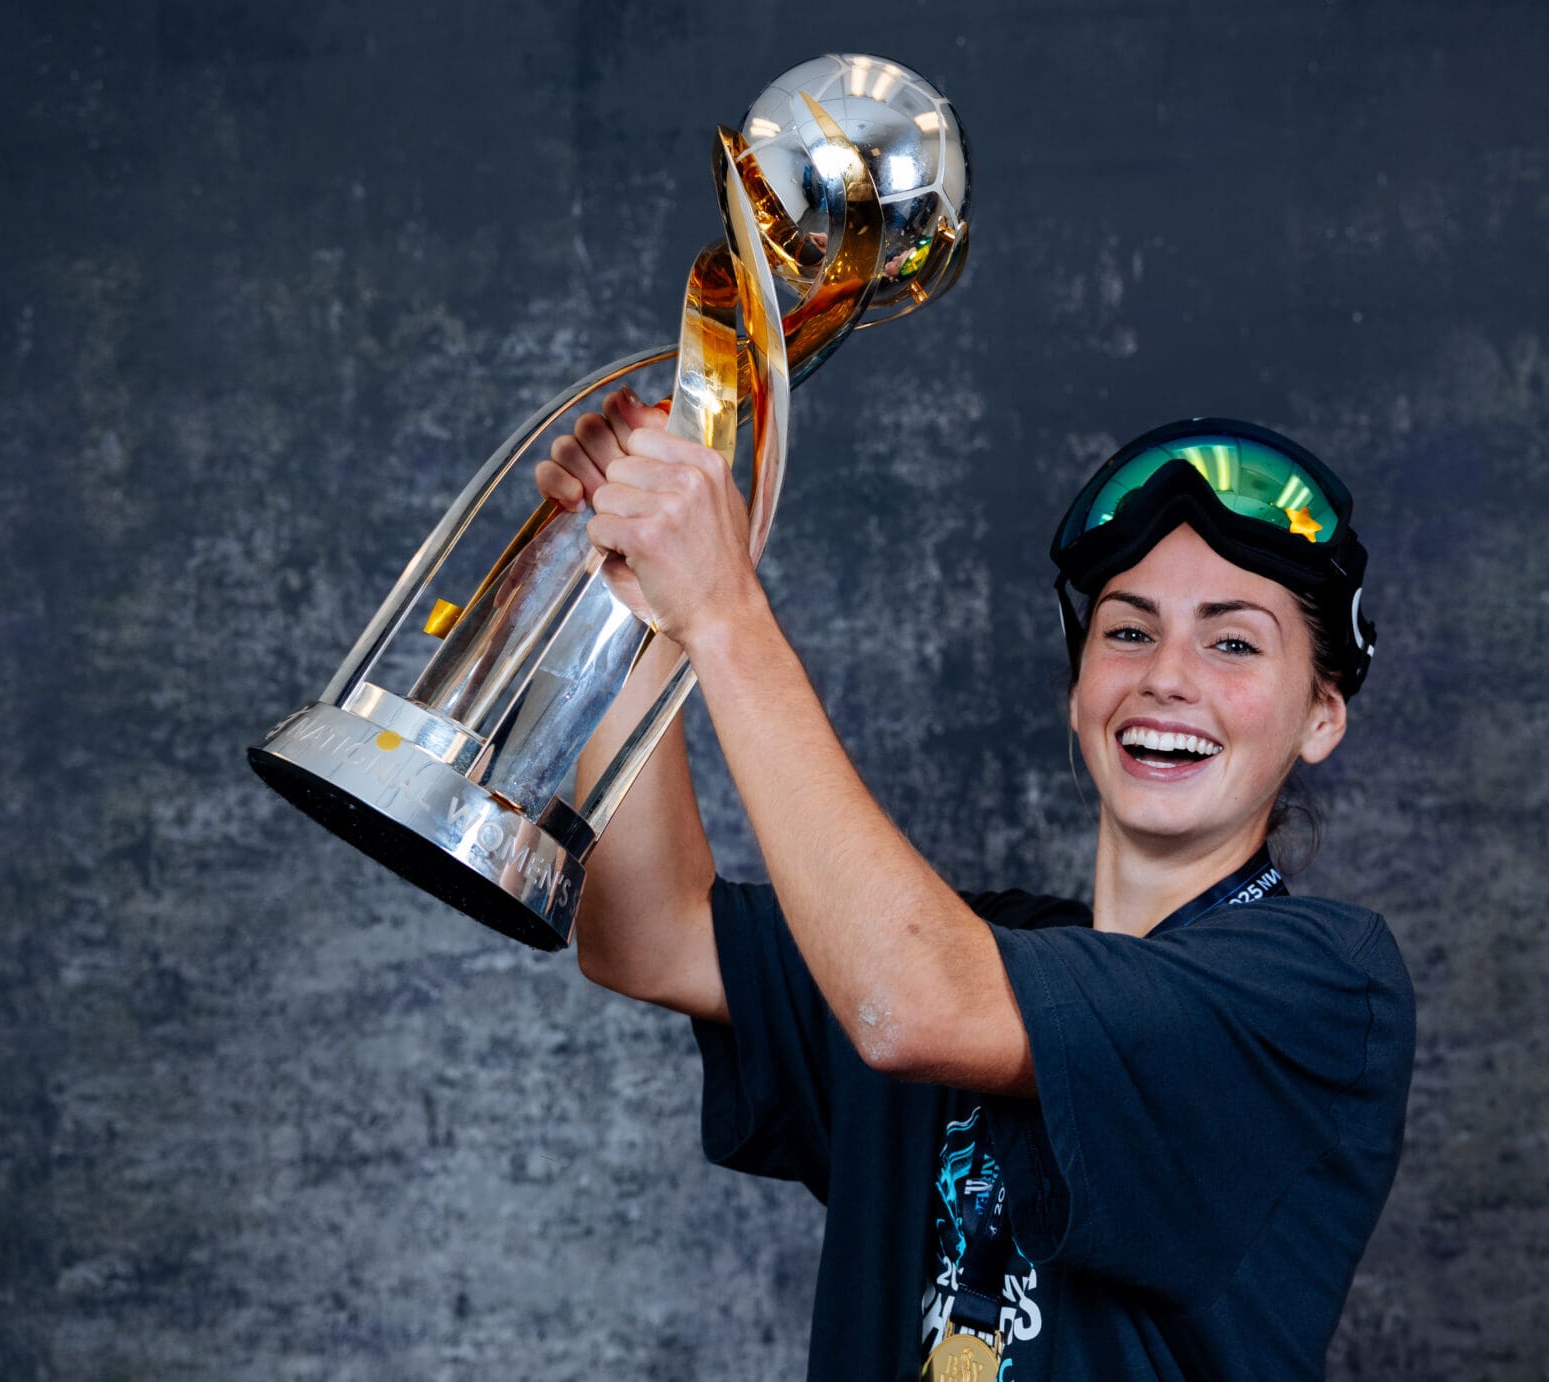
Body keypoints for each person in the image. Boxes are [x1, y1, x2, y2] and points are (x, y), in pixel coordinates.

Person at [534, 393, 1414, 1380]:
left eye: (1232, 641)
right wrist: (630, 597)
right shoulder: (969, 941)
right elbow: (645, 934)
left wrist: (725, 612)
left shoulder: (1317, 993)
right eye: (1126, 632)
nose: (1167, 675)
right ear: (1077, 689)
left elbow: (912, 1002)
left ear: (1320, 717)